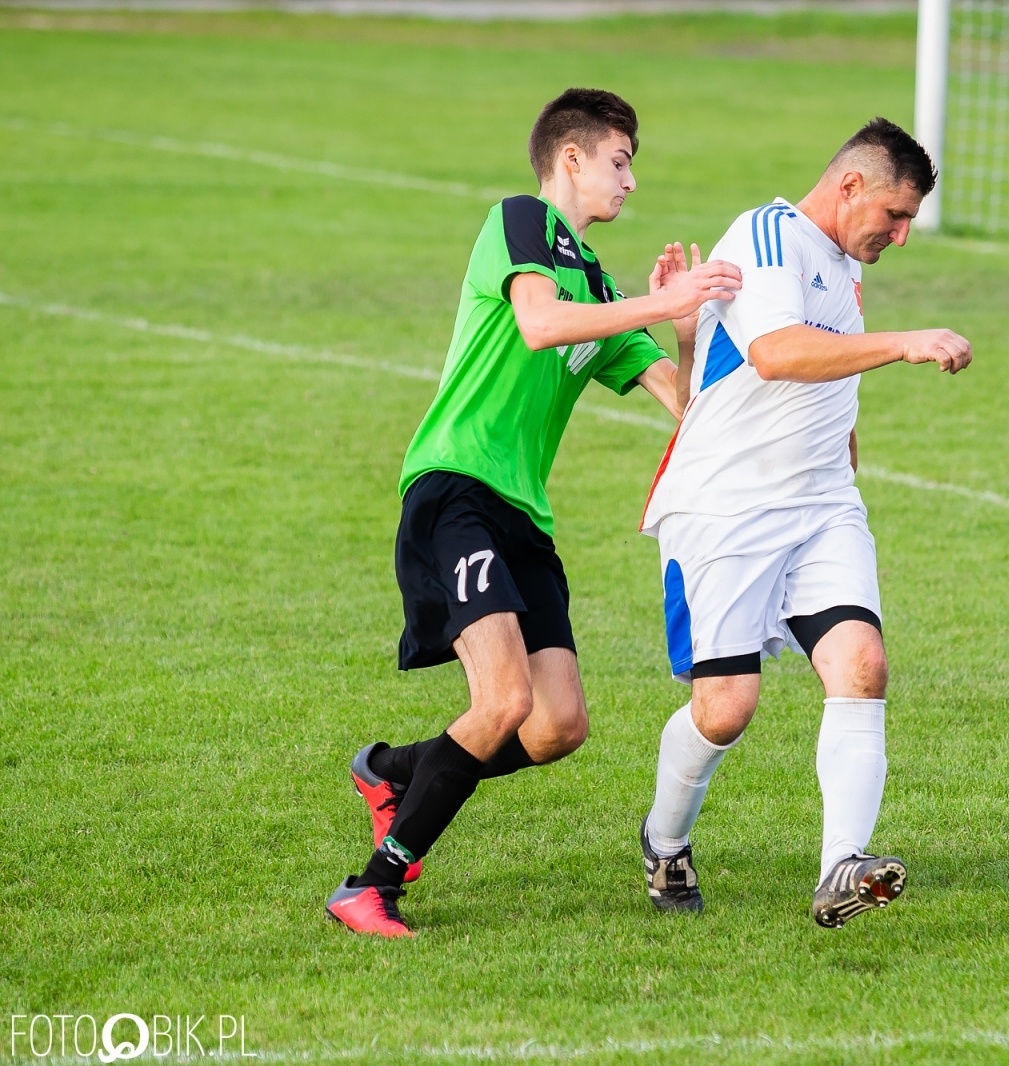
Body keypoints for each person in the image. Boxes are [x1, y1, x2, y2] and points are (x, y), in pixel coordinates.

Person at [325, 88, 741, 937]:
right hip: (456, 491)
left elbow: (687, 408)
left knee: (556, 726)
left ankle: (398, 770)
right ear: (573, 159)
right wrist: (659, 305)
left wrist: (688, 327)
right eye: (620, 162)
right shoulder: (520, 221)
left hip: (525, 520)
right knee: (505, 698)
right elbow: (541, 324)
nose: (630, 183)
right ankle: (370, 887)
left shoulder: (601, 282)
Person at [635, 117, 973, 928]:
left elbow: (824, 378)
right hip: (726, 507)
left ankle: (841, 869)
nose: (899, 235)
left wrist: (843, 458)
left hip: (820, 506)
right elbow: (779, 354)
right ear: (850, 183)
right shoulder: (766, 236)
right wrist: (906, 343)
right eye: (894, 216)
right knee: (726, 707)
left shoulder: (842, 264)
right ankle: (664, 841)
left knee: (861, 665)